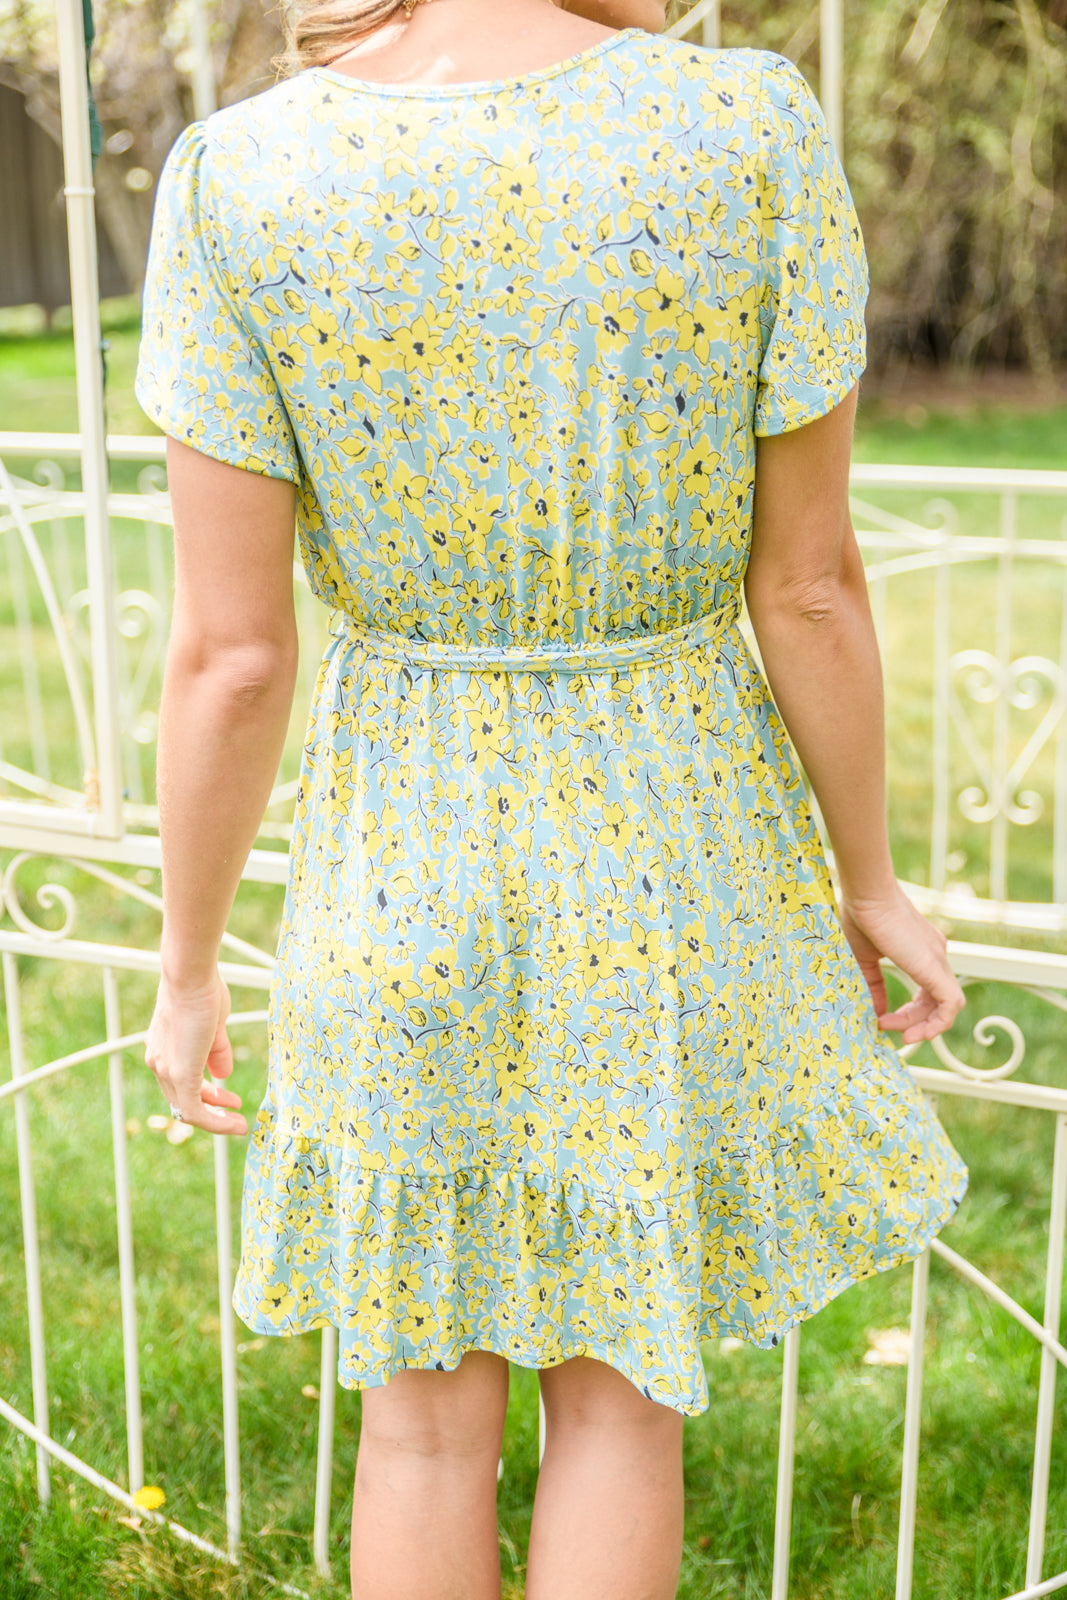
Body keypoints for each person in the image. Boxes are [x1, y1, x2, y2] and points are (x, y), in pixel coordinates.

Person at [134, 1, 970, 1596]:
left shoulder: (241, 174)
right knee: (621, 1402)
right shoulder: (742, 128)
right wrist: (868, 878)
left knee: (419, 1424)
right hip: (672, 842)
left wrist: (188, 966)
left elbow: (232, 658)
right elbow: (807, 585)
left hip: (405, 850)